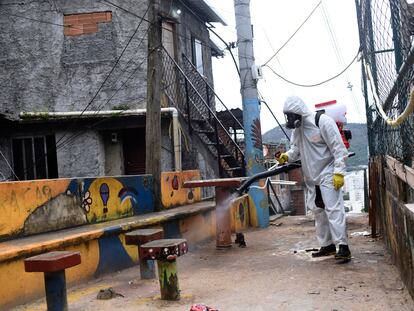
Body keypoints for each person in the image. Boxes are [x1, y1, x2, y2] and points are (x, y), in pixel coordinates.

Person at [276, 96, 351, 260]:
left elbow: (339, 149)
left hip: (328, 172)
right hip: (311, 175)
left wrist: (338, 172)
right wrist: (285, 157)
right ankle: (327, 245)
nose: (289, 119)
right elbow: (295, 150)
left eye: (291, 115)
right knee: (318, 211)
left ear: (299, 112)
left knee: (333, 209)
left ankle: (343, 247)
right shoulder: (297, 130)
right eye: (287, 116)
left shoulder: (322, 121)